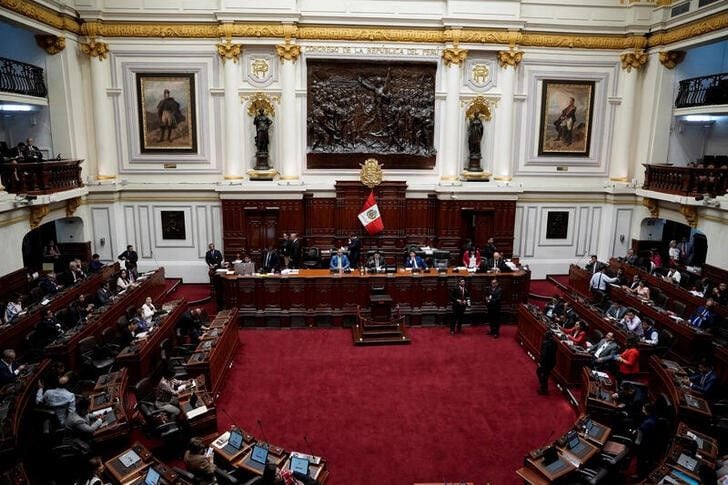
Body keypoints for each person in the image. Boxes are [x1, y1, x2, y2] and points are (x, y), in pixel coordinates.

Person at [537, 330, 556, 395]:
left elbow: (543, 355)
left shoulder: (545, 343)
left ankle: (544, 389)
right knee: (545, 375)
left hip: (545, 362)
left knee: (541, 373)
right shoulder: (555, 343)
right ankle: (544, 387)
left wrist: (540, 362)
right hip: (552, 362)